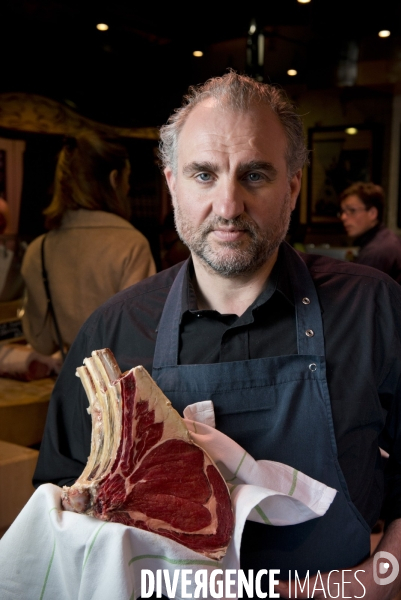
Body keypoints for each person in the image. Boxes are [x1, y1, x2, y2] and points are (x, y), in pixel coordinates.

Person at [33, 73, 401, 598]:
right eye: (204, 175)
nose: (228, 207)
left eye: (254, 175)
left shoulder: (374, 309)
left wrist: (372, 584)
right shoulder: (112, 332)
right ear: (171, 183)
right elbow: (60, 512)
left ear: (293, 185)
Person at [21, 131, 156, 355]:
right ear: (114, 179)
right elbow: (140, 339)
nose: (128, 188)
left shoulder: (38, 250)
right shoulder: (131, 245)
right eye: (127, 179)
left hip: (65, 384)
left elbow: (41, 342)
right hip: (114, 386)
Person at [339, 181, 401, 283]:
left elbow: (359, 294)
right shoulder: (385, 239)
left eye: (352, 210)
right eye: (343, 211)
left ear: (372, 213)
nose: (343, 217)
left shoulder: (376, 251)